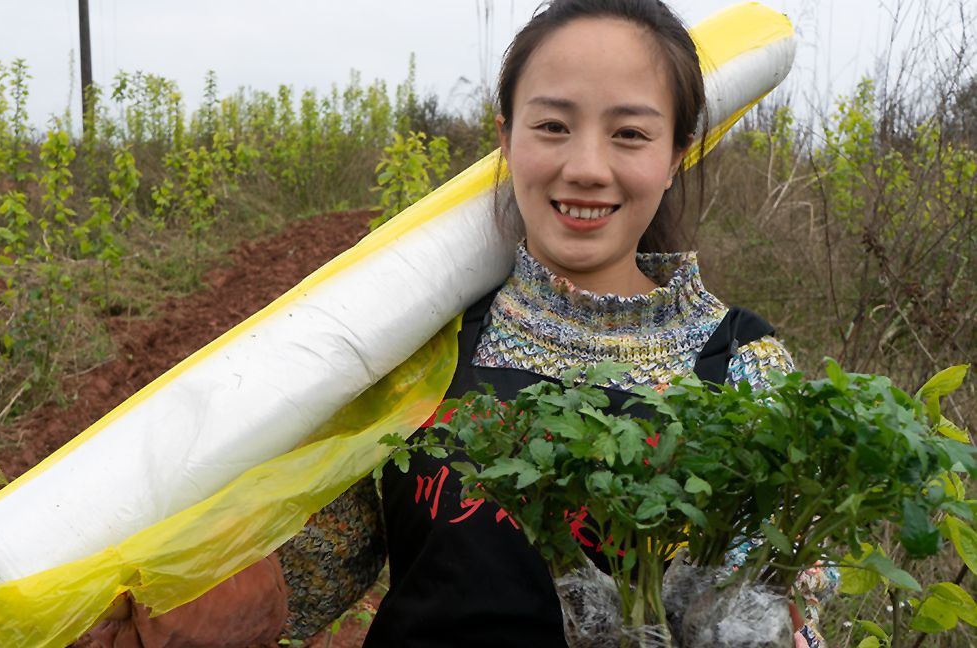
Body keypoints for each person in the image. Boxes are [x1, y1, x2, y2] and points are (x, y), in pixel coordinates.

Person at [70, 0, 833, 644]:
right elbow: (326, 560)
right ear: (506, 140)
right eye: (553, 126)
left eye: (630, 133)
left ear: (676, 154)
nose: (586, 167)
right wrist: (180, 603)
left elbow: (782, 589)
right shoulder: (423, 347)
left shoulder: (739, 363)